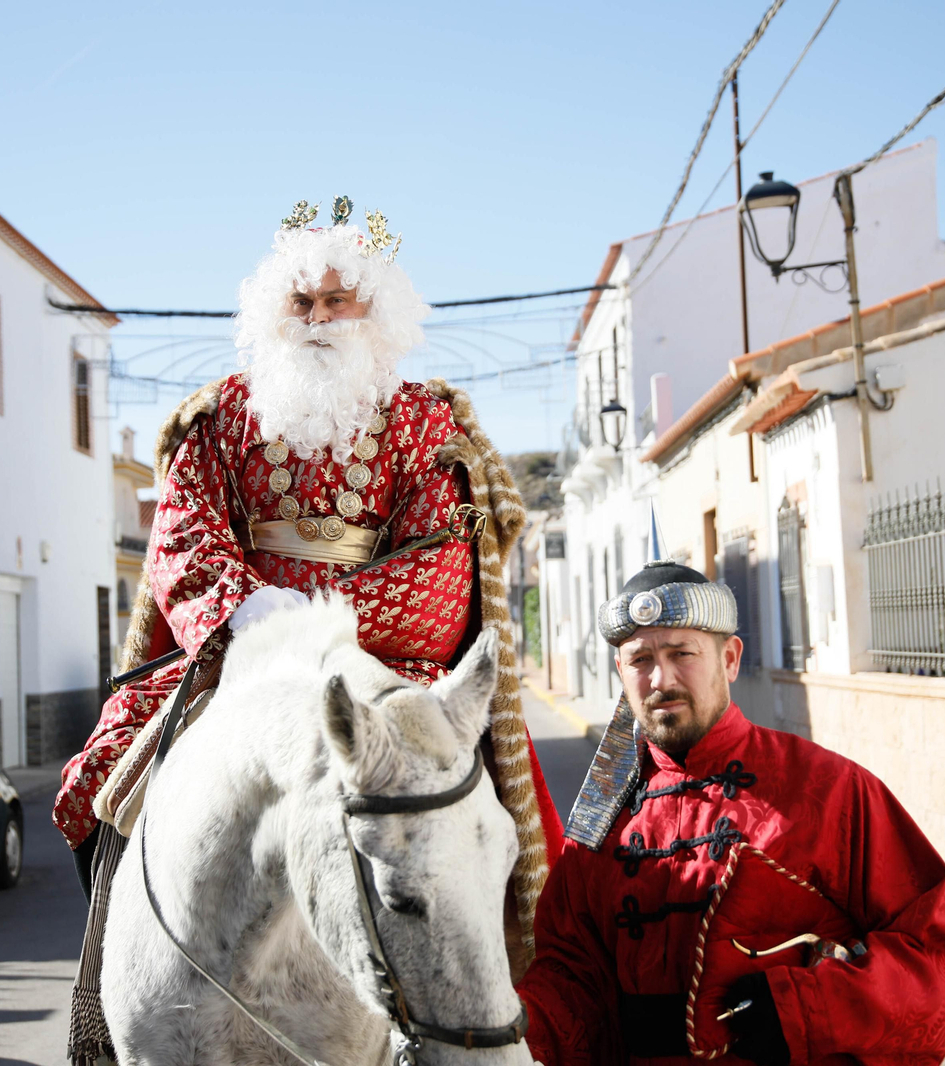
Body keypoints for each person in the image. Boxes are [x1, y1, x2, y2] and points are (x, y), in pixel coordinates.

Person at [54, 198, 562, 1064]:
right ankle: (103, 996)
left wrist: (321, 626)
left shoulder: (427, 426)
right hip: (237, 656)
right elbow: (180, 536)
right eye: (304, 304)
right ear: (273, 315)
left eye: (341, 301)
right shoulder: (218, 422)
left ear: (379, 313)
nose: (322, 318)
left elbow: (441, 566)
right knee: (105, 783)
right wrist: (248, 611)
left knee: (475, 826)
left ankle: (455, 1021)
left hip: (378, 671)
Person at [518, 561, 945, 1065]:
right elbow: (571, 976)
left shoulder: (830, 789)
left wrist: (809, 1010)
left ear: (730, 659)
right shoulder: (601, 821)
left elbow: (936, 953)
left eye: (681, 653)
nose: (660, 678)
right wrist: (509, 1028)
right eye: (640, 659)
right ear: (621, 673)